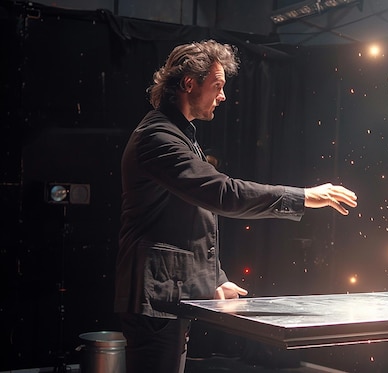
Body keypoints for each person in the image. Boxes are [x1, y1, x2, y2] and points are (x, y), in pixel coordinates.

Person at [114, 39, 358, 373]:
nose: (223, 96)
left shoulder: (180, 137)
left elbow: (190, 220)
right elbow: (222, 194)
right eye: (217, 86)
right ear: (189, 84)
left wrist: (214, 277)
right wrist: (302, 197)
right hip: (156, 297)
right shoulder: (158, 137)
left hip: (167, 294)